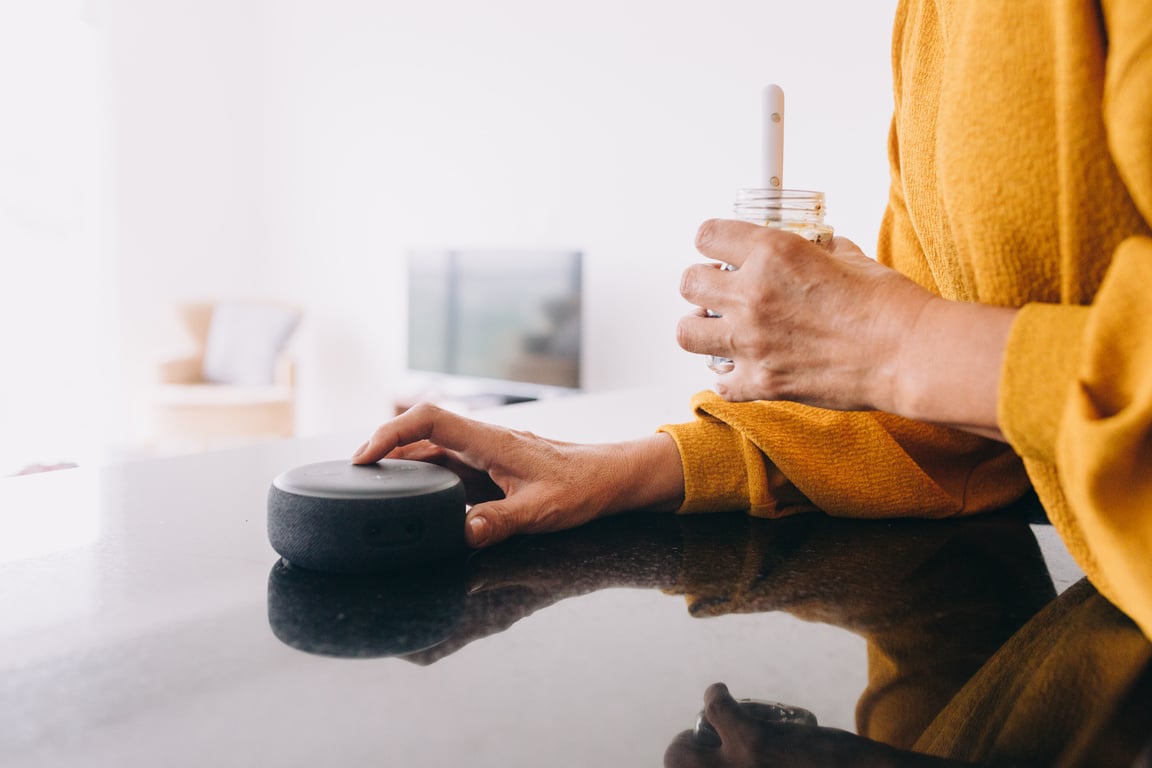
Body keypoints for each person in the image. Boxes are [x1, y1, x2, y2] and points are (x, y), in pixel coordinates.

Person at [353, 0, 1152, 643]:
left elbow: (923, 356)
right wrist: (630, 470)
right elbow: (945, 421)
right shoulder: (928, 24)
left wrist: (892, 340)